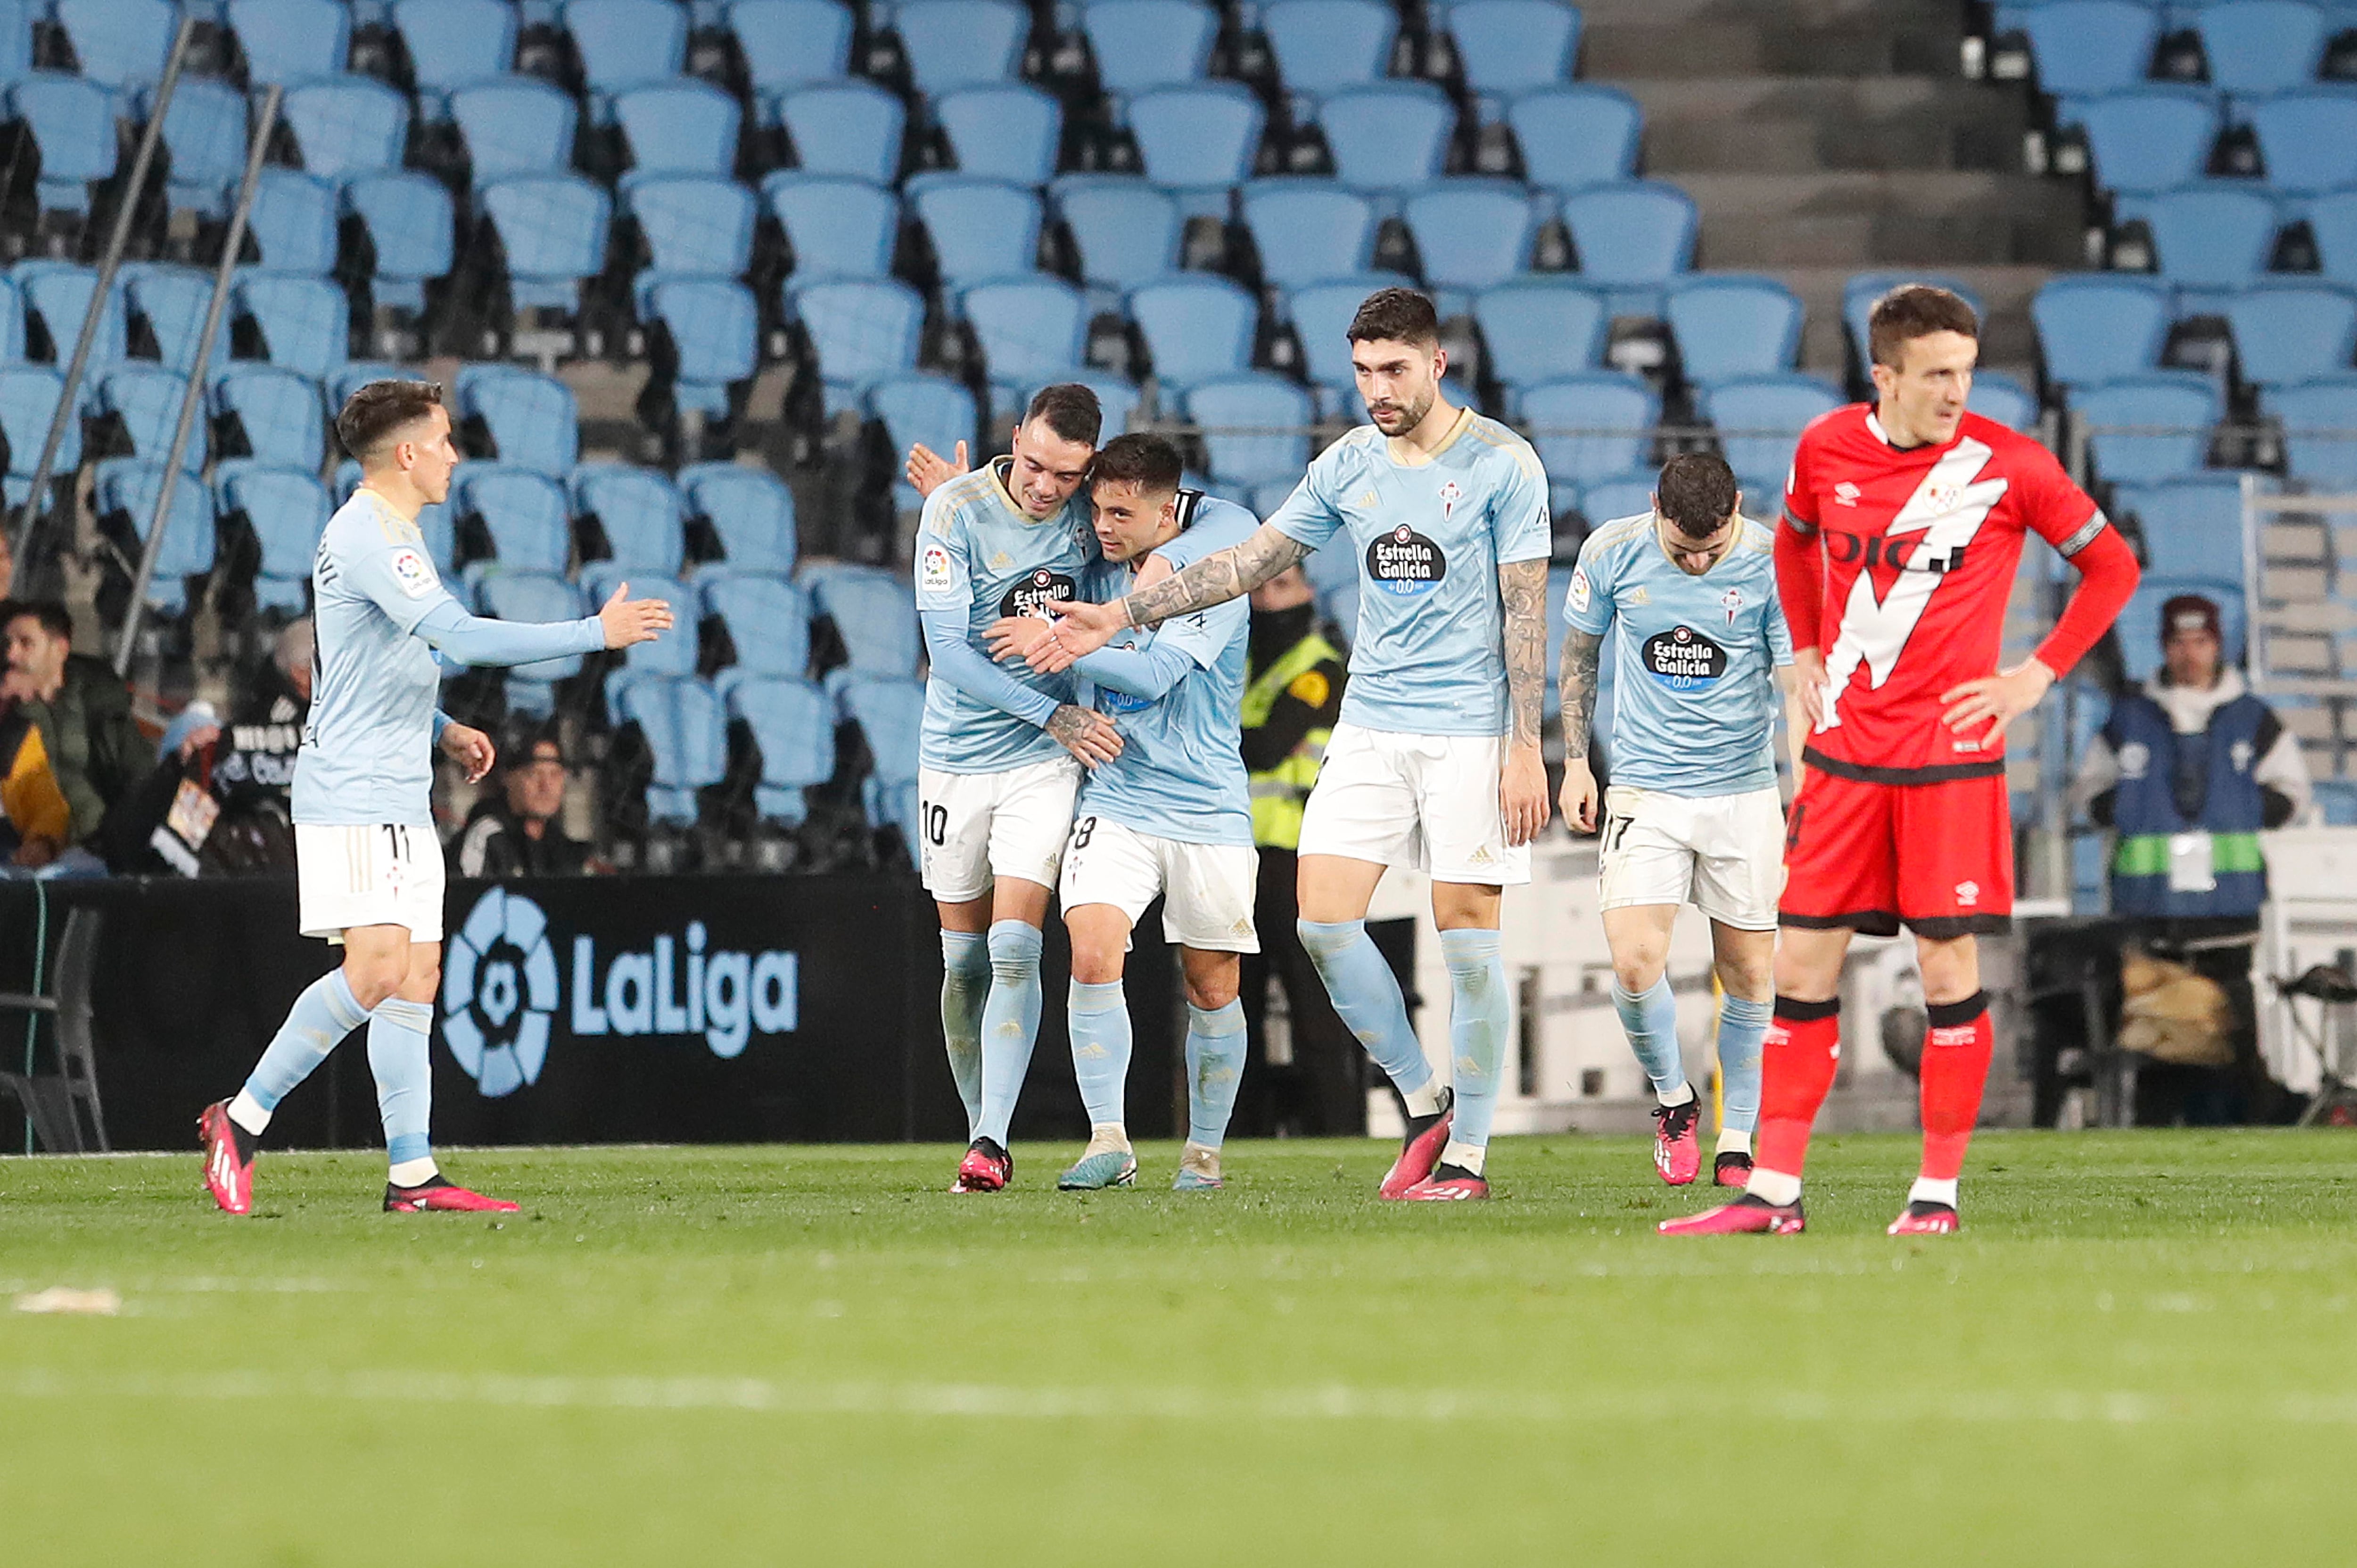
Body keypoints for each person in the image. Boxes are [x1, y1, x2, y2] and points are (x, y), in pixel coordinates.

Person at [1030, 287, 1554, 1201]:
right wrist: (1118, 612)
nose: (1376, 389)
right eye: (1361, 371)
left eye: (1393, 369)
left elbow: (1525, 609)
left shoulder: (1505, 465)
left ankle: (1467, 1154)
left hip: (1469, 726)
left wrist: (1524, 744)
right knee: (1319, 921)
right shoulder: (1349, 461)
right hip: (1372, 721)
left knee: (1469, 940)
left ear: (1437, 363)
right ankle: (1425, 1098)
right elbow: (1244, 561)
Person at [1662, 284, 2140, 1239]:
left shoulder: (2011, 466)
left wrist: (2033, 676)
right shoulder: (1825, 446)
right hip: (1843, 754)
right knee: (1799, 964)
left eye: (1964, 372)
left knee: (1947, 964)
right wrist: (1799, 649)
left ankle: (1936, 1194)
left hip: (1949, 760)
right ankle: (1774, 1193)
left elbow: (2114, 566)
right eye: (1935, 375)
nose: (1955, 391)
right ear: (1883, 376)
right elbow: (1794, 543)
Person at [199, 379, 672, 1216]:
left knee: (418, 974)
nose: (456, 454)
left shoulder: (390, 532)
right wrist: (593, 633)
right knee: (377, 970)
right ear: (408, 451)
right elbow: (457, 634)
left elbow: (374, 663)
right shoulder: (371, 535)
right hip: (353, 791)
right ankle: (241, 1119)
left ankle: (412, 1172)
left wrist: (444, 726)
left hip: (399, 789)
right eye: (446, 440)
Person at [986, 434, 1260, 1190]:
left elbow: (1161, 670)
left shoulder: (1212, 581)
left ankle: (1203, 1154)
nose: (1104, 525)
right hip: (1119, 796)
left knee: (1212, 988)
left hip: (1206, 806)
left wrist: (1059, 646)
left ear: (1167, 510)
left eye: (1121, 512)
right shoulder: (1094, 572)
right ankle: (1109, 1138)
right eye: (1098, 509)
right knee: (1093, 951)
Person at [906, 384, 1122, 1194]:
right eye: (1033, 465)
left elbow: (1183, 527)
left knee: (1013, 945)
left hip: (1040, 761)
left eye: (1065, 475)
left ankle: (993, 1141)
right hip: (956, 758)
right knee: (963, 962)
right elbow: (951, 654)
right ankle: (977, 1128)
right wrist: (1054, 713)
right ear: (1014, 440)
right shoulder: (954, 511)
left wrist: (1061, 711)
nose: (1044, 486)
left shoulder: (1089, 516)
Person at [1559, 452, 1793, 1190]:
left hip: (1743, 794)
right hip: (1645, 791)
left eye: (1711, 549)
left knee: (1750, 973)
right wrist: (1574, 762)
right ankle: (1673, 1101)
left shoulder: (1772, 562)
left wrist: (1811, 789)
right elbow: (1578, 655)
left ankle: (1739, 1140)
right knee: (1633, 964)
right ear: (1655, 505)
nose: (1695, 563)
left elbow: (1796, 682)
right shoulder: (1611, 550)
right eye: (1681, 548)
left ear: (1739, 511)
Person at [2072, 592, 2309, 1124]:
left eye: (2199, 641)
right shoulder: (2128, 719)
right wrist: (2134, 808)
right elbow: (2089, 795)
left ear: (2216, 645)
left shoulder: (2252, 720)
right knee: (2156, 1053)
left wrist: (2236, 808)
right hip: (2149, 919)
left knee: (2232, 1050)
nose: (2188, 654)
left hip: (2228, 922)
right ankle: (2156, 1165)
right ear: (2161, 647)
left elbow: (2292, 794)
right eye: (2177, 642)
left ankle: (2239, 1151)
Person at [1236, 563, 1357, 1136]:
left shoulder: (1319, 670)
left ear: (1309, 591)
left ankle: (1335, 1128)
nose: (1266, 600)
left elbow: (1265, 746)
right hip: (1238, 853)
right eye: (1258, 588)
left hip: (1297, 856)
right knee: (1237, 1003)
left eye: (1281, 586)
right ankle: (1243, 1136)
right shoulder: (1240, 663)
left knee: (1312, 1003)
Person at [0, 599, 153, 872]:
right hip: (25, 849)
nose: (12, 655)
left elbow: (139, 776)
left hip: (99, 850)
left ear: (60, 649)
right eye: (8, 645)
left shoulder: (100, 702)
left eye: (26, 644)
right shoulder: (10, 709)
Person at [455, 721, 601, 878]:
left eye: (555, 775)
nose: (546, 786)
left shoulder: (566, 850)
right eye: (534, 773)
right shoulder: (487, 837)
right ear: (508, 777)